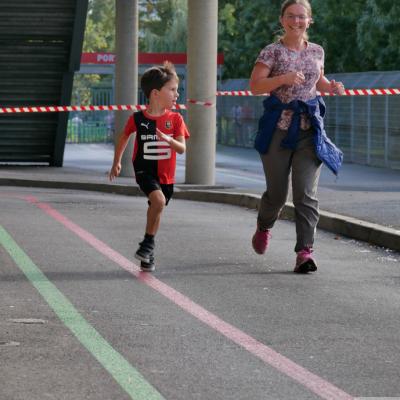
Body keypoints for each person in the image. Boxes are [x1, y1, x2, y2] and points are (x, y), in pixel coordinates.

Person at [249, 0, 345, 273]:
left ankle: (305, 252)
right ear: (282, 20)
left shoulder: (317, 50)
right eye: (291, 16)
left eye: (301, 17)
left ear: (309, 21)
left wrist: (331, 87)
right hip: (278, 130)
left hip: (309, 130)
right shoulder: (271, 52)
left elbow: (319, 81)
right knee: (278, 196)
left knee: (306, 194)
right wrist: (283, 79)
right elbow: (255, 86)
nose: (296, 21)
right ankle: (265, 224)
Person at [109, 62, 190, 272]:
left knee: (157, 207)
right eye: (172, 90)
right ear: (155, 93)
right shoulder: (138, 118)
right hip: (145, 171)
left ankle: (148, 250)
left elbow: (181, 148)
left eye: (177, 90)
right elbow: (124, 135)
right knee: (158, 200)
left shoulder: (176, 119)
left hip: (166, 177)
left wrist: (169, 140)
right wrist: (117, 161)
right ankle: (147, 245)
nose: (177, 94)